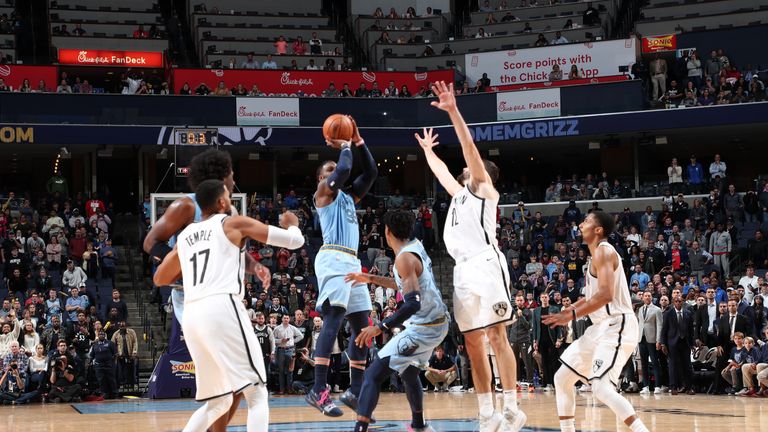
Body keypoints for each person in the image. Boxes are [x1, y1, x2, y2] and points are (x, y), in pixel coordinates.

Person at [415, 80, 526, 432]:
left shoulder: (484, 189)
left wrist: (453, 111)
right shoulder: (459, 193)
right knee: (472, 341)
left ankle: (511, 407)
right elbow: (443, 172)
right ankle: (486, 412)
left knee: (497, 335)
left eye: (471, 168)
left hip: (486, 263)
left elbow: (469, 150)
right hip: (462, 271)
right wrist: (429, 152)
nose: (465, 169)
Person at [154, 179, 304, 432]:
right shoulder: (231, 223)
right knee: (257, 393)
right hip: (221, 305)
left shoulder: (186, 234)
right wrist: (294, 226)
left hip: (191, 315)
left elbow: (160, 278)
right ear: (222, 202)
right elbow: (293, 242)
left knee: (218, 402)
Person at [143, 149, 272, 432]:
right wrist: (181, 268)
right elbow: (151, 242)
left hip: (220, 299)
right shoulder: (185, 207)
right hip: (193, 299)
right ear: (221, 176)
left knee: (234, 385)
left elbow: (232, 253)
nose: (235, 176)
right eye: (231, 171)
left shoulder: (230, 213)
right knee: (234, 385)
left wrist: (255, 267)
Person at [345, 210, 450, 432]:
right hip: (435, 322)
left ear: (387, 231)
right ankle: (419, 425)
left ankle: (359, 428)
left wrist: (379, 327)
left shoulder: (404, 258)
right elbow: (403, 283)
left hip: (425, 328)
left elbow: (412, 303)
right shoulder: (414, 247)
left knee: (373, 374)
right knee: (409, 371)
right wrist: (370, 278)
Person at [542, 212, 648, 432]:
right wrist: (570, 311)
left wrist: (570, 315)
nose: (581, 224)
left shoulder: (604, 251)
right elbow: (591, 299)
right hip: (600, 328)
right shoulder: (593, 257)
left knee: (600, 387)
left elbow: (606, 295)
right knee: (561, 378)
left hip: (617, 324)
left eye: (587, 221)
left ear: (598, 230)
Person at [304, 117, 377, 417]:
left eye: (333, 168)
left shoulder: (348, 196)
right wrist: (345, 146)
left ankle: (355, 391)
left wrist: (359, 142)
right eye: (328, 170)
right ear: (322, 178)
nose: (334, 170)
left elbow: (371, 172)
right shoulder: (324, 193)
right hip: (333, 256)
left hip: (352, 260)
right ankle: (318, 389)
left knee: (363, 326)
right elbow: (345, 168)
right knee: (334, 318)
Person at [660, 296, 695, 394]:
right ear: (673, 302)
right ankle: (673, 387)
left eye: (680, 301)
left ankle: (689, 387)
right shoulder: (668, 314)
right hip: (672, 343)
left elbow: (691, 330)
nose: (678, 303)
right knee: (673, 365)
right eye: (676, 301)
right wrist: (663, 344)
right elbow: (664, 330)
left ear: (682, 302)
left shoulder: (688, 313)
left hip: (685, 342)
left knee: (687, 366)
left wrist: (692, 344)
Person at [89, 330, 118, 399]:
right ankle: (104, 393)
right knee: (101, 380)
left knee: (111, 379)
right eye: (100, 334)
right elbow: (92, 355)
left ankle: (115, 393)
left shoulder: (110, 343)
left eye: (102, 334)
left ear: (105, 335)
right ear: (98, 336)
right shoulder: (95, 345)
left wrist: (113, 363)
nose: (101, 336)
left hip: (109, 364)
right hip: (99, 365)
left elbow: (115, 354)